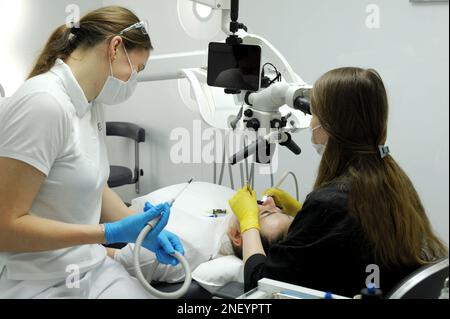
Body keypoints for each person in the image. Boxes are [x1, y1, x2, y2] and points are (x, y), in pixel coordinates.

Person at [0, 6, 183, 299]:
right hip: (36, 281)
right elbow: (5, 227)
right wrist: (108, 234)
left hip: (92, 268)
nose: (133, 80)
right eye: (136, 69)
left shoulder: (92, 104)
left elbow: (92, 188)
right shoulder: (44, 104)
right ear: (115, 48)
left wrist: (141, 231)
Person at [229, 67, 448, 298]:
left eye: (314, 113)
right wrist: (302, 214)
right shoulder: (392, 178)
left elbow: (260, 286)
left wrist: (248, 222)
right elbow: (347, 245)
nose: (311, 121)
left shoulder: (332, 202)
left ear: (328, 125)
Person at [107, 196, 293, 284]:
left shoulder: (183, 250)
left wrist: (105, 232)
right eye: (279, 208)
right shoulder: (226, 213)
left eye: (266, 212)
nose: (268, 201)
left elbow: (107, 255)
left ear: (237, 236)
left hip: (104, 228)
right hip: (117, 207)